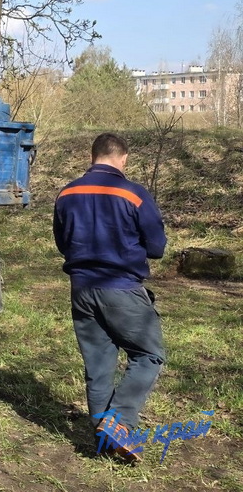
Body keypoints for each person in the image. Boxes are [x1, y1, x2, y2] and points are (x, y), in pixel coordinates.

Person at [53, 133, 166, 463]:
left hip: (81, 288)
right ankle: (118, 424)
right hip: (121, 288)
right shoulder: (134, 194)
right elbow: (157, 247)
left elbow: (63, 241)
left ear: (93, 157)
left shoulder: (67, 193)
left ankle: (104, 442)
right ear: (123, 158)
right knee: (149, 355)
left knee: (99, 368)